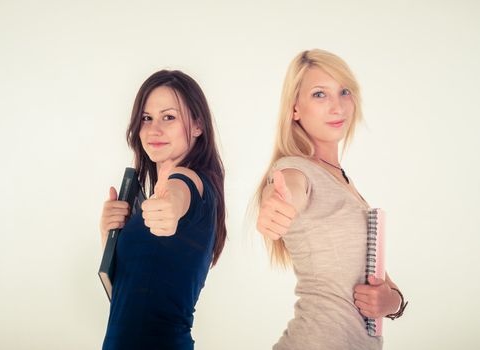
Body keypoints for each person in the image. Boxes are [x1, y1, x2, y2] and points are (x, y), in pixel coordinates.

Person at [255, 49, 407, 349]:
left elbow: (381, 283)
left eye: (344, 92)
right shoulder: (295, 169)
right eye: (320, 95)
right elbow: (288, 191)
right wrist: (277, 206)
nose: (337, 106)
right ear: (295, 108)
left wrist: (394, 303)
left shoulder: (341, 182)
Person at [99, 70, 226, 350]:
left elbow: (180, 192)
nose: (154, 129)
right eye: (147, 118)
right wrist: (109, 240)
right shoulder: (146, 205)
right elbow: (129, 302)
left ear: (197, 125)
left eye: (169, 117)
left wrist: (171, 205)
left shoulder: (191, 181)